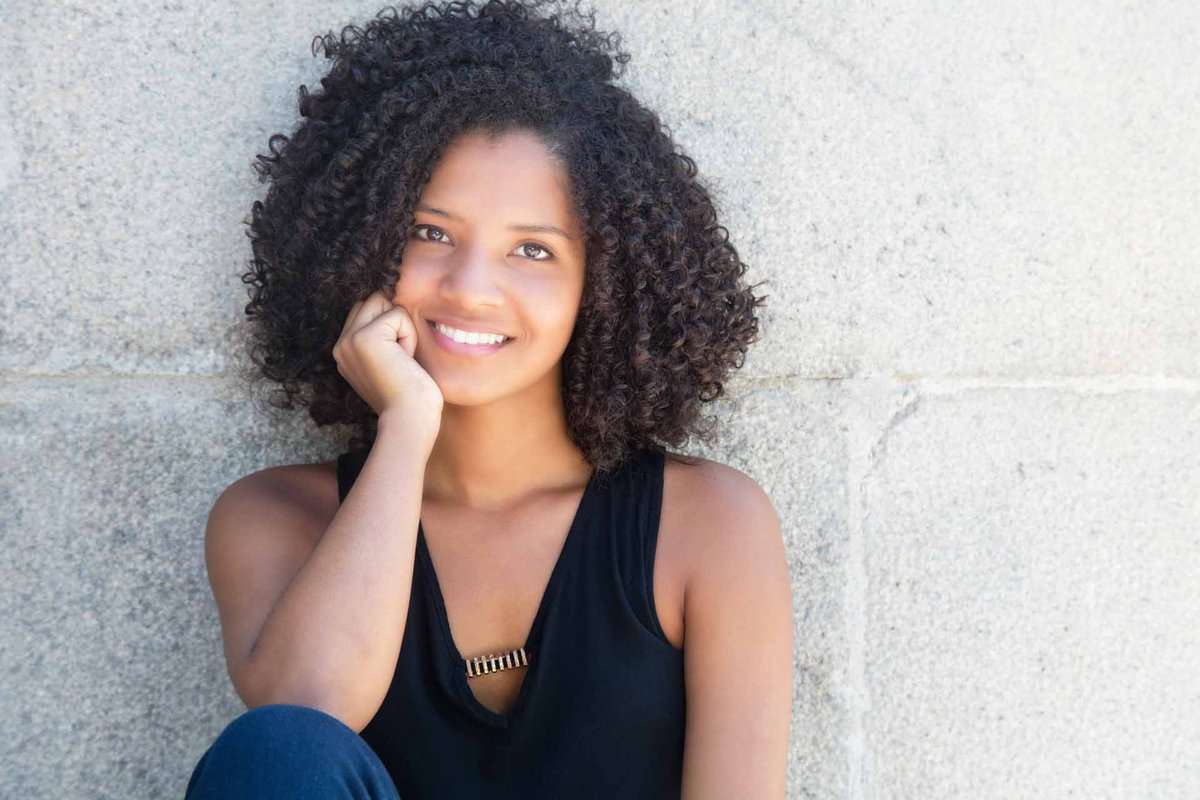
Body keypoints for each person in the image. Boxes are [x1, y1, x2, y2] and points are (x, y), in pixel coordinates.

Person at [185, 0, 794, 797]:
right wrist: (405, 429)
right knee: (278, 750)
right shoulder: (274, 519)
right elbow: (308, 718)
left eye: (533, 250)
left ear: (602, 287)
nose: (470, 289)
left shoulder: (708, 526)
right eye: (430, 234)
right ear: (362, 246)